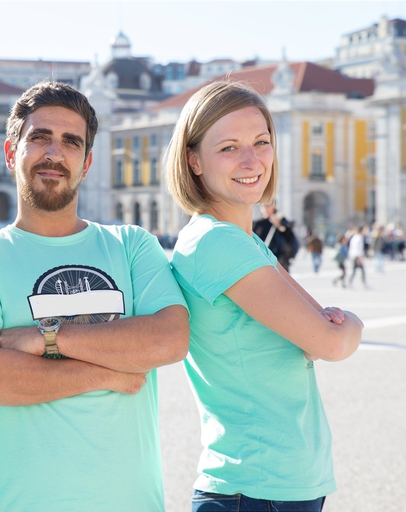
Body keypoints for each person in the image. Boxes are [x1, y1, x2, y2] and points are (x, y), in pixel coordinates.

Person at [0, 81, 190, 512]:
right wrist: (105, 374)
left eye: (71, 142)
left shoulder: (132, 245)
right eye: (40, 138)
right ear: (11, 152)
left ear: (87, 163)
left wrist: (45, 339)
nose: (55, 153)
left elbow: (168, 340)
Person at [164, 81, 364, 512]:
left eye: (261, 142)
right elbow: (330, 340)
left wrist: (335, 327)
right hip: (254, 488)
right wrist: (354, 323)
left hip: (277, 484)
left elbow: (320, 326)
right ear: (194, 161)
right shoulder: (218, 244)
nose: (252, 160)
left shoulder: (245, 242)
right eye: (229, 148)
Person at [252, 202, 298, 272]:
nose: (265, 208)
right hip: (263, 261)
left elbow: (290, 239)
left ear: (274, 206)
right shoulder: (257, 224)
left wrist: (279, 226)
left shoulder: (282, 221)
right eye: (263, 206)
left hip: (280, 261)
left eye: (268, 205)